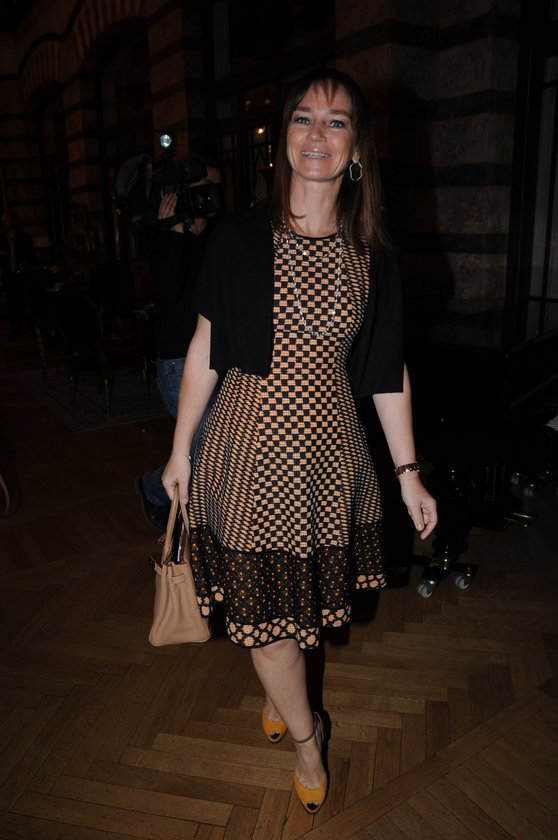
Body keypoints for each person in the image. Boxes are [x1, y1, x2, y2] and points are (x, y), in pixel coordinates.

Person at [161, 69, 437, 814]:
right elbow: (204, 347)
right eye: (303, 118)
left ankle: (279, 693)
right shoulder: (240, 238)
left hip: (328, 455)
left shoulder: (373, 253)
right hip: (246, 450)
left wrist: (408, 473)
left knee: (298, 607)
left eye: (336, 121)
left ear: (357, 147)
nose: (318, 134)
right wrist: (180, 449)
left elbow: (388, 371)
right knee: (265, 624)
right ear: (283, 138)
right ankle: (309, 739)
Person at [135, 160, 222, 531]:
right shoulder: (161, 236)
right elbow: (168, 295)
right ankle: (156, 490)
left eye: (216, 189)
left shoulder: (218, 236)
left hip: (217, 360)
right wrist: (173, 231)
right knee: (206, 447)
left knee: (215, 446)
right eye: (203, 188)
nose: (210, 196)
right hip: (178, 363)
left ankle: (163, 492)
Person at [0, 211, 36, 339]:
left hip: (23, 275)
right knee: (12, 305)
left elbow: (31, 254)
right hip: (9, 275)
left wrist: (25, 262)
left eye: (6, 221)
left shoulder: (24, 237)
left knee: (27, 302)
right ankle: (17, 331)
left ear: (13, 222)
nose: (3, 223)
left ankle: (33, 330)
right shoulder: (1, 239)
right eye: (2, 221)